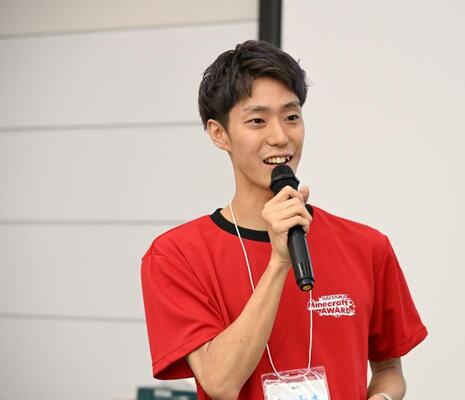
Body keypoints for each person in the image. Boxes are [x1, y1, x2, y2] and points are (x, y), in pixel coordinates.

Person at [141, 40, 427, 400]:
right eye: (257, 121)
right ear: (219, 133)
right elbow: (220, 382)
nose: (280, 137)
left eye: (291, 117)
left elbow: (388, 370)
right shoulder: (176, 255)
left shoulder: (367, 246)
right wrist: (279, 263)